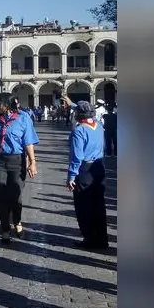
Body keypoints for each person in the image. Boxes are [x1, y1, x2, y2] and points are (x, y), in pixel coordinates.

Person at [0, 93, 39, 244]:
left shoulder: (23, 118)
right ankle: (5, 229)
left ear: (7, 105)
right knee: (0, 194)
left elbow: (28, 142)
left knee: (15, 195)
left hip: (17, 160)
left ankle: (17, 221)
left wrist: (32, 161)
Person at [67, 102, 109, 250]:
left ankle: (90, 238)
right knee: (98, 205)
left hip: (84, 169)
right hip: (99, 167)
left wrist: (72, 176)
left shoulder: (79, 131)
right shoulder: (98, 126)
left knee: (84, 206)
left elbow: (76, 156)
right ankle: (102, 239)